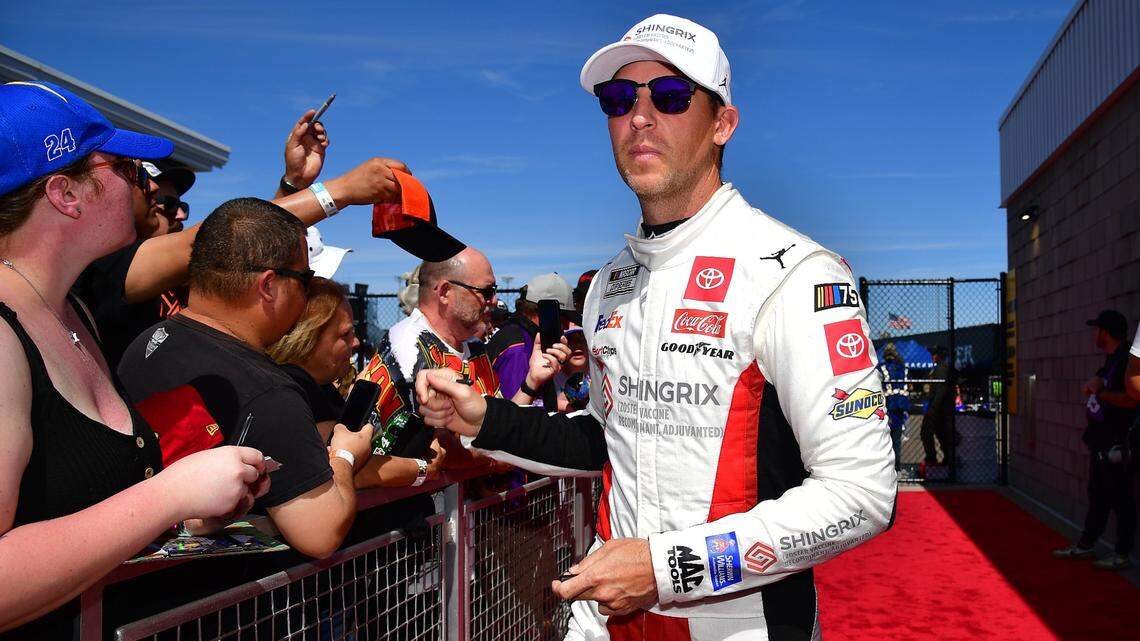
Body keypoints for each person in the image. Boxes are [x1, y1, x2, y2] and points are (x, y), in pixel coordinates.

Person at [414, 14, 896, 639]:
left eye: (669, 96)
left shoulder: (796, 275)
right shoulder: (610, 285)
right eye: (620, 98)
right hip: (605, 618)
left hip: (742, 624)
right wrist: (482, 419)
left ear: (722, 122)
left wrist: (666, 569)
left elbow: (861, 493)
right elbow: (607, 441)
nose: (639, 116)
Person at [0, 80, 268, 637]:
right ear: (64, 193)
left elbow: (78, 509)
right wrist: (167, 494)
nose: (140, 187)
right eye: (122, 169)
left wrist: (188, 510)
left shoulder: (73, 311)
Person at [118, 198, 374, 558]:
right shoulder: (266, 391)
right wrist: (346, 455)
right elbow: (320, 532)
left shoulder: (147, 342)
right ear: (269, 286)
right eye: (305, 279)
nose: (307, 293)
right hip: (210, 601)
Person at [268, 277, 442, 487]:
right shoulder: (296, 387)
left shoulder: (321, 386)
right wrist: (422, 467)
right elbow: (338, 468)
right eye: (345, 334)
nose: (356, 342)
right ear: (308, 338)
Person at [1053, 310, 1137, 570]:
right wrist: (1094, 387)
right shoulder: (1111, 360)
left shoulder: (1125, 360)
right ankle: (1087, 545)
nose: (1094, 334)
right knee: (1099, 496)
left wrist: (1100, 390)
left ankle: (1121, 554)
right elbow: (1096, 387)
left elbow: (1131, 399)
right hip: (1101, 442)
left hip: (1117, 443)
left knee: (1122, 500)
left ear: (1106, 332)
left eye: (1097, 329)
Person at [485, 272, 575, 403]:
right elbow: (515, 414)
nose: (567, 326)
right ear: (544, 313)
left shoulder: (520, 333)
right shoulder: (518, 347)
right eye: (563, 317)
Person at [920, 345, 956, 469]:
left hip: (938, 408)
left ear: (939, 355)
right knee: (941, 433)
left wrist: (933, 408)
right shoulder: (941, 367)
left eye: (934, 354)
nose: (932, 356)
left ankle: (932, 457)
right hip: (941, 408)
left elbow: (940, 391)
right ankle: (947, 457)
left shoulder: (941, 368)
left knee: (926, 432)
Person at [878, 343, 910, 471]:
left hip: (888, 405)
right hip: (900, 406)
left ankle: (886, 467)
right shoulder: (902, 367)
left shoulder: (882, 367)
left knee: (883, 439)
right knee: (896, 439)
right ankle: (896, 467)